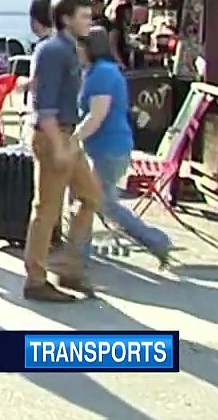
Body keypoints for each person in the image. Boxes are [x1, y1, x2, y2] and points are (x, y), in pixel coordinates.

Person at [25, 0, 103, 302]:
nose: (89, 21)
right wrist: (58, 145)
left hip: (67, 134)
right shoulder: (54, 50)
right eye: (83, 16)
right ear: (66, 19)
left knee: (90, 197)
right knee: (47, 209)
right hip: (54, 134)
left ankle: (67, 267)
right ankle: (36, 278)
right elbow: (44, 105)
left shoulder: (69, 48)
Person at [74, 26, 173, 266]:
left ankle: (155, 240)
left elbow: (96, 116)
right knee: (94, 201)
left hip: (109, 148)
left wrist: (72, 139)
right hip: (107, 147)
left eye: (78, 46)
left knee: (99, 202)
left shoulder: (102, 74)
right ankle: (78, 253)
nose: (75, 51)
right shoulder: (98, 71)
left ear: (89, 48)